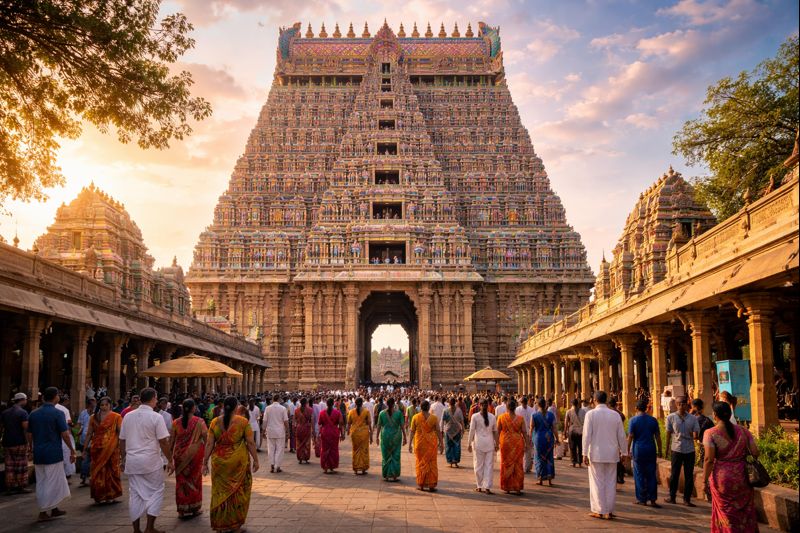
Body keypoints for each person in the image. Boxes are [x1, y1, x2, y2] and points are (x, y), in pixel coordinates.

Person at [120, 387, 173, 533]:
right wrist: (170, 460)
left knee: (135, 494)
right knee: (156, 491)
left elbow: (122, 440)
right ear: (153, 399)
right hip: (151, 461)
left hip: (132, 461)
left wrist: (123, 458)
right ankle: (150, 527)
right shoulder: (156, 417)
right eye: (156, 398)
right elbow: (163, 441)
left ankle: (136, 529)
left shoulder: (128, 416)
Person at [204, 396, 259, 533]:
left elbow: (210, 443)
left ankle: (221, 524)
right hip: (238, 463)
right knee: (238, 492)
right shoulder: (243, 422)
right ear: (236, 407)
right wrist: (256, 460)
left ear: (223, 407)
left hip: (219, 462)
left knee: (219, 492)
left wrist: (204, 462)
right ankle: (234, 525)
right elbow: (250, 443)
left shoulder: (215, 422)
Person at [702, 401, 760, 533]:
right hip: (743, 476)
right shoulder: (744, 431)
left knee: (726, 511)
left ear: (715, 414)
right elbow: (755, 452)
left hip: (722, 478)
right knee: (745, 510)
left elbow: (709, 459)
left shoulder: (710, 433)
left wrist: (704, 481)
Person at [27, 386, 74, 522]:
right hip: (53, 452)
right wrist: (71, 449)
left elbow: (29, 434)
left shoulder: (34, 414)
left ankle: (53, 508)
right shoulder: (57, 413)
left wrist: (31, 448)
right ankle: (43, 511)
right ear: (56, 397)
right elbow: (65, 434)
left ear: (43, 398)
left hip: (39, 452)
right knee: (52, 482)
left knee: (42, 481)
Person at [582, 390, 627, 520]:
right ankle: (609, 510)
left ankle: (600, 510)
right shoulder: (615, 415)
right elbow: (621, 435)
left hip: (596, 453)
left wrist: (584, 453)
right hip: (612, 454)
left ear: (594, 400)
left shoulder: (590, 414)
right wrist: (624, 452)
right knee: (610, 482)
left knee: (597, 482)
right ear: (606, 400)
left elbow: (586, 436)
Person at [170, 398, 207, 518]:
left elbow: (171, 441)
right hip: (195, 456)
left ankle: (182, 510)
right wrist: (207, 455)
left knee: (181, 482)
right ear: (193, 408)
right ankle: (195, 508)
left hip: (179, 456)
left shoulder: (176, 422)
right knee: (195, 481)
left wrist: (170, 459)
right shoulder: (199, 422)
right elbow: (206, 438)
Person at [84, 396, 122, 504]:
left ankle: (111, 495)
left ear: (110, 405)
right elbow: (89, 434)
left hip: (112, 448)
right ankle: (99, 496)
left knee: (112, 471)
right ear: (99, 406)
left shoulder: (116, 417)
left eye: (106, 404)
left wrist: (120, 446)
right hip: (97, 448)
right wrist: (84, 448)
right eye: (102, 405)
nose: (104, 407)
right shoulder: (93, 417)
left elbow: (120, 433)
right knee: (97, 472)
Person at [665, 395, 700, 507]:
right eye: (679, 404)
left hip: (689, 449)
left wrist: (691, 435)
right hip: (676, 449)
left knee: (689, 475)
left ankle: (687, 499)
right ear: (676, 404)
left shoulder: (693, 418)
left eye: (684, 404)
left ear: (687, 404)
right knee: (674, 474)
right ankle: (672, 496)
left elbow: (696, 434)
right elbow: (668, 434)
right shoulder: (671, 417)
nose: (681, 406)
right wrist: (666, 449)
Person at [627, 398, 662, 507]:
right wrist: (660, 450)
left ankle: (641, 498)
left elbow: (630, 437)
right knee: (651, 474)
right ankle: (652, 499)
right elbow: (658, 437)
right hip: (651, 449)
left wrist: (626, 450)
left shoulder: (633, 420)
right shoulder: (653, 420)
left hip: (638, 450)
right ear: (646, 408)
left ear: (636, 408)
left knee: (639, 475)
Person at [408, 400, 443, 491]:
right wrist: (442, 443)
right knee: (431, 463)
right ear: (428, 408)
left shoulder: (415, 417)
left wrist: (409, 444)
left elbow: (412, 431)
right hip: (431, 444)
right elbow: (438, 431)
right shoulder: (434, 418)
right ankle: (431, 485)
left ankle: (422, 485)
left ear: (421, 407)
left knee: (421, 463)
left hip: (419, 444)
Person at [1, 392, 30, 494]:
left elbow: (1, 428)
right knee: (21, 465)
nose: (26, 401)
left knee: (9, 466)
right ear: (22, 400)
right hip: (19, 442)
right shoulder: (23, 413)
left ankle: (9, 487)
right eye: (26, 399)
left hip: (7, 442)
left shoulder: (5, 412)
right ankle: (20, 486)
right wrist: (29, 442)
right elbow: (26, 428)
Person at [468, 398, 498, 493]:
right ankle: (487, 487)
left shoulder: (475, 416)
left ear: (479, 405)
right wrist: (497, 443)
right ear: (488, 406)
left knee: (478, 465)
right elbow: (495, 432)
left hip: (479, 443)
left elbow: (472, 431)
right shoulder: (492, 417)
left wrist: (469, 443)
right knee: (489, 466)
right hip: (489, 443)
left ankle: (479, 485)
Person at [498, 398, 527, 495]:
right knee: (518, 465)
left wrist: (496, 443)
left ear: (506, 407)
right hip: (518, 443)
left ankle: (507, 487)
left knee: (506, 464)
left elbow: (498, 431)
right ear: (515, 408)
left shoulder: (501, 417)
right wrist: (527, 443)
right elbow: (524, 432)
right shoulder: (520, 419)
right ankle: (518, 488)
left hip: (505, 443)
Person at [376, 397, 406, 481]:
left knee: (386, 455)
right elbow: (402, 426)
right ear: (394, 404)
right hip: (396, 436)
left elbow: (378, 425)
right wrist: (405, 437)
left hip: (385, 436)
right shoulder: (399, 413)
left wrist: (377, 437)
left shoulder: (382, 413)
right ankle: (394, 475)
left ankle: (387, 475)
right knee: (395, 455)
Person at [263, 394, 289, 473]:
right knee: (279, 449)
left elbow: (265, 421)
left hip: (270, 431)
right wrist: (288, 430)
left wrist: (263, 430)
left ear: (272, 400)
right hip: (280, 431)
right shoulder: (283, 408)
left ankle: (272, 465)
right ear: (279, 400)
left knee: (271, 449)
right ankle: (277, 466)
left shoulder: (268, 408)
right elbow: (285, 421)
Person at [346, 397, 372, 475]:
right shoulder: (366, 412)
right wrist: (371, 435)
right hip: (364, 433)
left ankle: (356, 469)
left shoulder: (351, 412)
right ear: (362, 403)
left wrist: (348, 432)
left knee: (355, 450)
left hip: (354, 433)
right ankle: (363, 468)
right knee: (364, 450)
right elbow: (369, 423)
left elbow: (349, 423)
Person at [318, 398, 344, 473]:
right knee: (333, 450)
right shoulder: (337, 412)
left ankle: (325, 467)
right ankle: (332, 467)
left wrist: (319, 433)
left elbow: (320, 423)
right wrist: (342, 434)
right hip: (334, 433)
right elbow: (341, 424)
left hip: (325, 432)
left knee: (324, 449)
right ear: (333, 404)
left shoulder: (322, 413)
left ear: (326, 404)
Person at [54, 396, 76, 479]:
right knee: (66, 456)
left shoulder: (39, 410)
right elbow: (68, 424)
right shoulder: (64, 410)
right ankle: (67, 474)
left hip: (51, 438)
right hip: (63, 436)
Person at [77, 397, 96, 486]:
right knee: (90, 458)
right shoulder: (96, 414)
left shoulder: (83, 413)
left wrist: (79, 432)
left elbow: (79, 425)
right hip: (90, 437)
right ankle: (89, 476)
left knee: (85, 457)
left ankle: (84, 476)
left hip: (84, 437)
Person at [441, 397, 465, 467]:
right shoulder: (459, 410)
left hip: (448, 431)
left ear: (449, 402)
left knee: (448, 446)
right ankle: (456, 461)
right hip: (457, 430)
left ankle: (450, 461)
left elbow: (442, 421)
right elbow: (462, 421)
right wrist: (463, 429)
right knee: (456, 446)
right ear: (455, 402)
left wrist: (441, 430)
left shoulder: (445, 411)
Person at [515, 396, 535, 473]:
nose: (524, 404)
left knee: (528, 449)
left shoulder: (531, 410)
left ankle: (527, 467)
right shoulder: (517, 410)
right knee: (521, 449)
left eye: (524, 402)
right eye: (523, 402)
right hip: (520, 432)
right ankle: (522, 466)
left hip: (529, 431)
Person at [564, 398, 585, 468]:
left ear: (571, 404)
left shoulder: (569, 411)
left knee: (572, 447)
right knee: (580, 447)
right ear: (578, 404)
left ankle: (573, 462)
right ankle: (580, 463)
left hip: (572, 431)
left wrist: (565, 432)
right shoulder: (583, 411)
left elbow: (566, 423)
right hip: (580, 431)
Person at [294, 398, 314, 464]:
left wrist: (295, 428)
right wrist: (313, 429)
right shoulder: (310, 410)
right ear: (306, 403)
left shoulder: (296, 410)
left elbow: (294, 420)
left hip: (299, 428)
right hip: (307, 428)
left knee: (299, 443)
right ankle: (305, 458)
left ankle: (300, 458)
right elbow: (312, 420)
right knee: (306, 444)